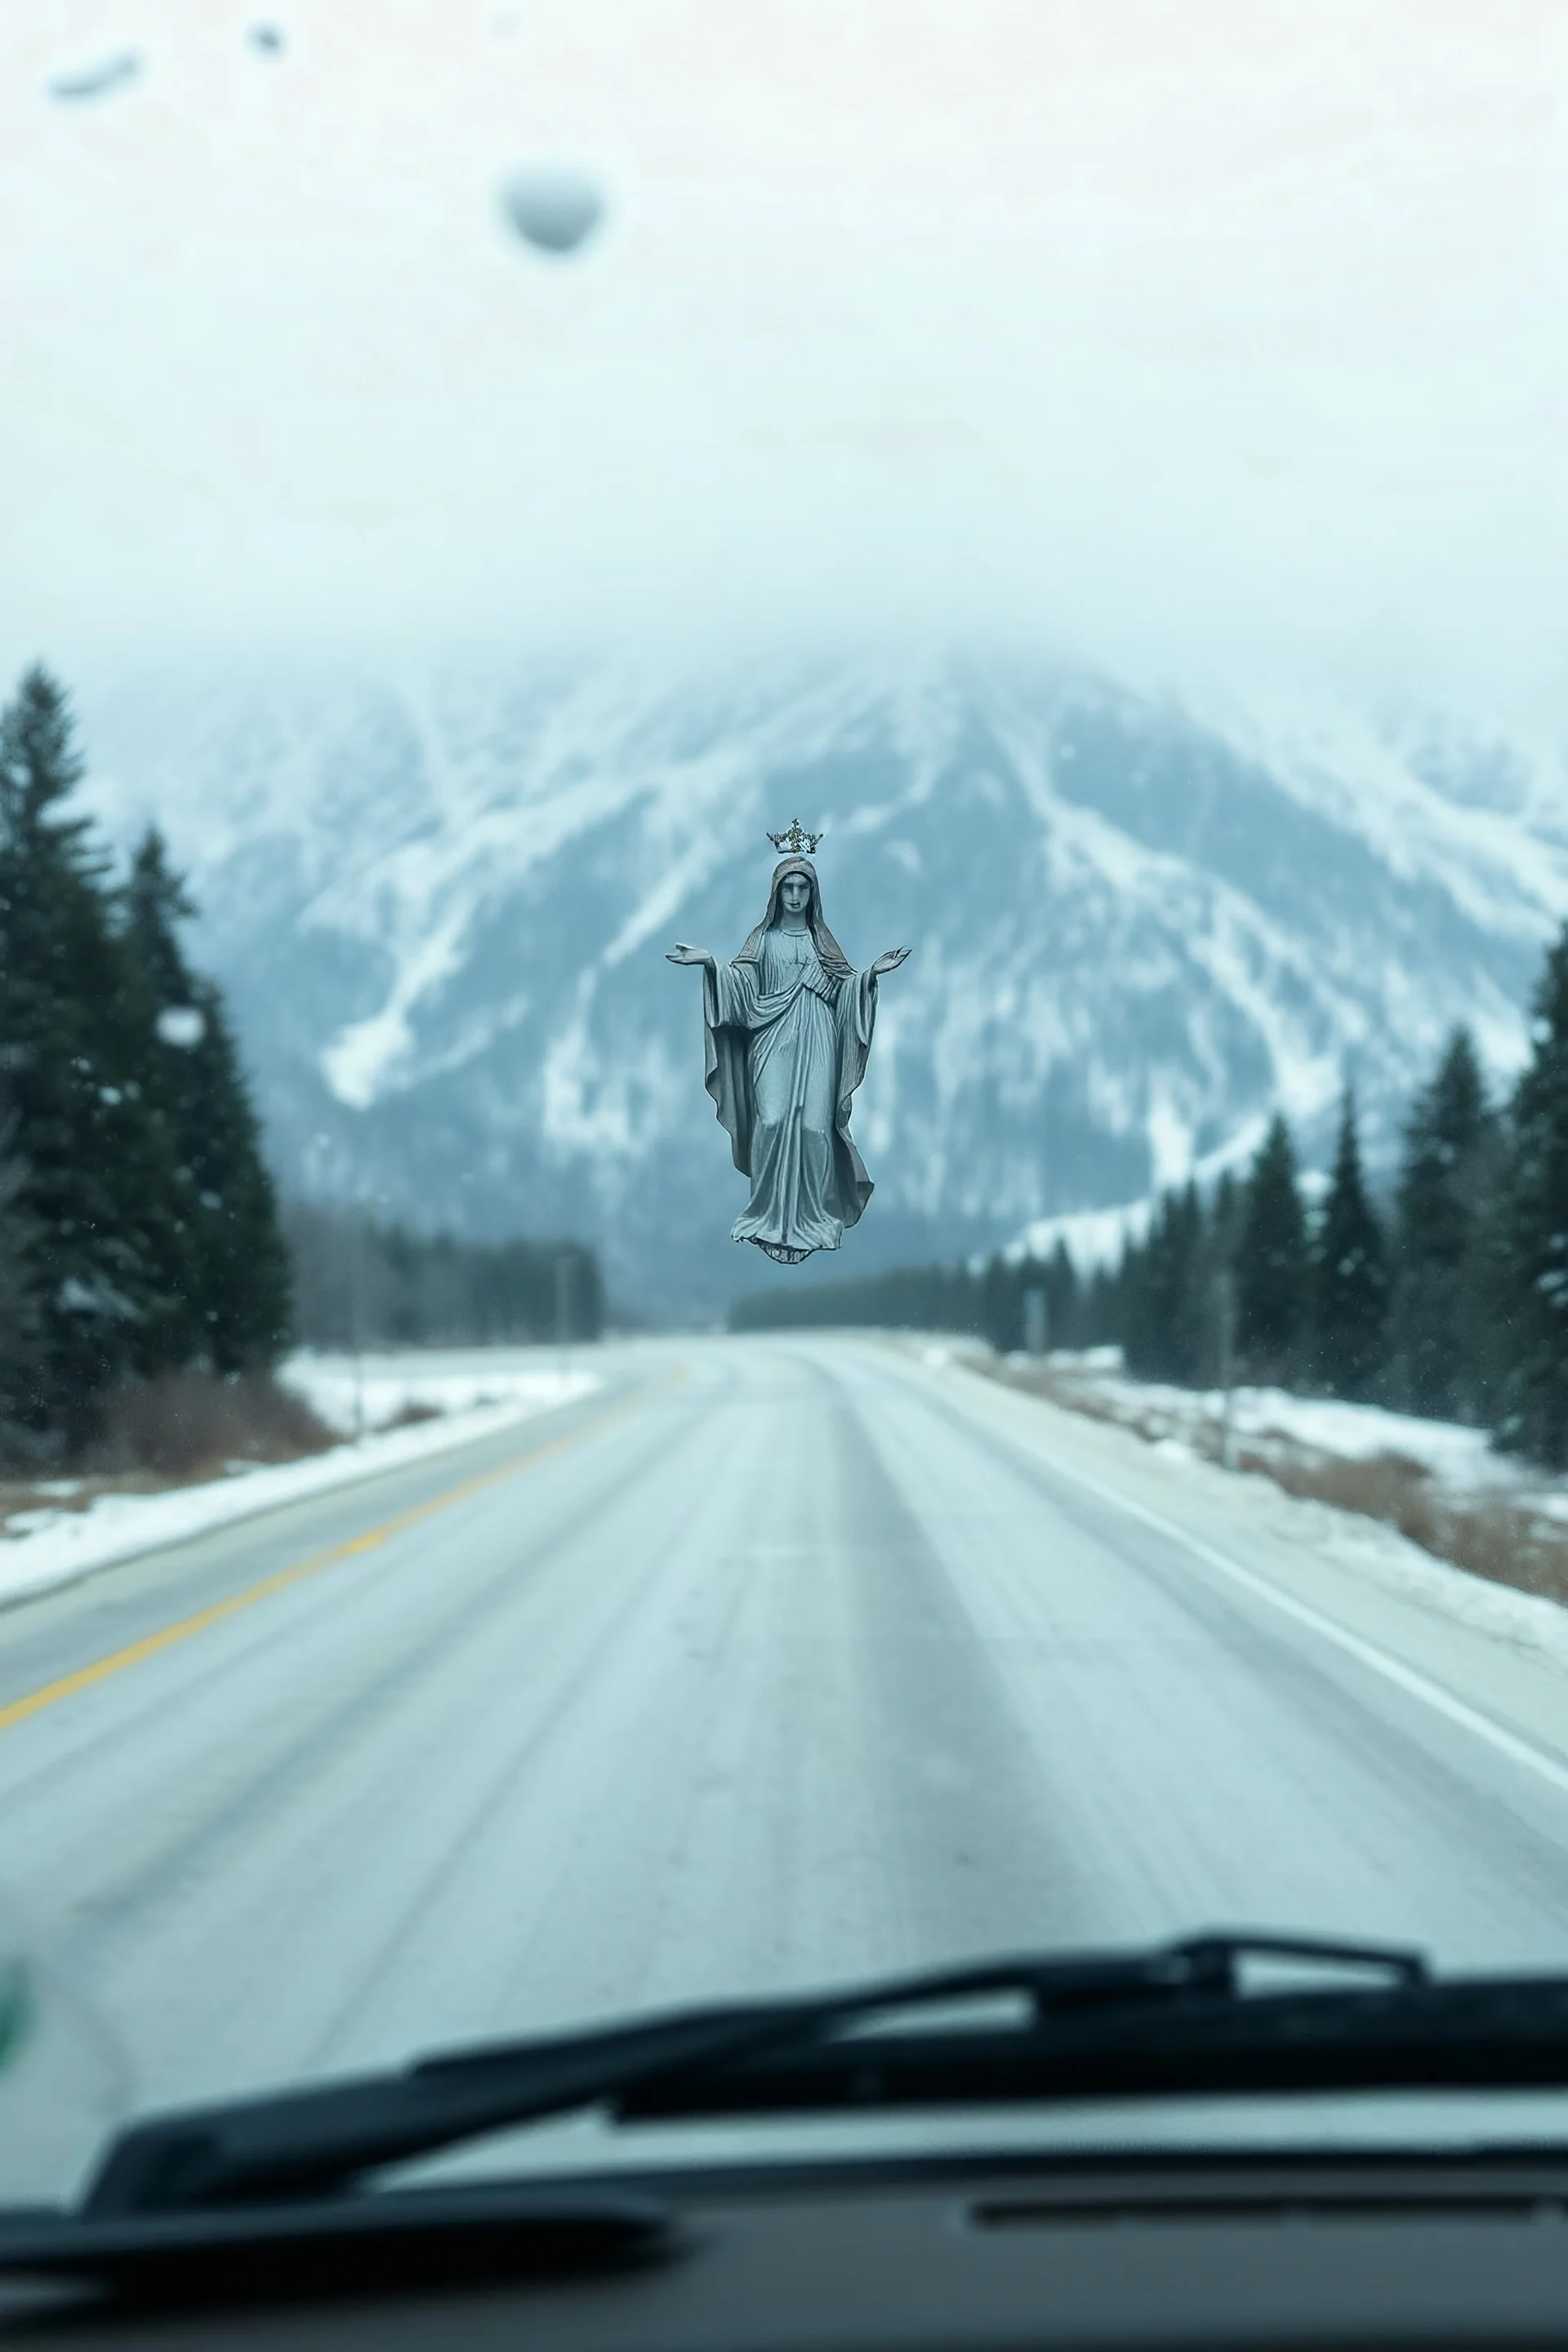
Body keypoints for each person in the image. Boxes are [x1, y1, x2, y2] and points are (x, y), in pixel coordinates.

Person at [668, 858, 910, 1264]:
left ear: (813, 894)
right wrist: (712, 965)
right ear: (777, 893)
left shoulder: (823, 946)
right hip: (771, 1040)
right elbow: (742, 989)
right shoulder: (762, 941)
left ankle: (814, 1217)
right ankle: (765, 1213)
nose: (795, 896)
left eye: (803, 888)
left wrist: (870, 977)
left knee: (816, 1128)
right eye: (788, 888)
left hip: (819, 1040)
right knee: (774, 1119)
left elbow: (845, 990)